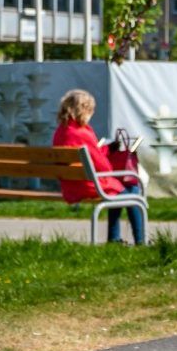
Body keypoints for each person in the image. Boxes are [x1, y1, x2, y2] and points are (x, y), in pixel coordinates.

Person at [50, 88, 146, 245]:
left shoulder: (61, 131)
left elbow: (89, 157)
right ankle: (141, 241)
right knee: (133, 192)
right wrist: (109, 152)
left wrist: (106, 149)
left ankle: (114, 239)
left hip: (70, 185)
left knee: (120, 190)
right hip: (89, 186)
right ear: (84, 110)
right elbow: (105, 168)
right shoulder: (82, 133)